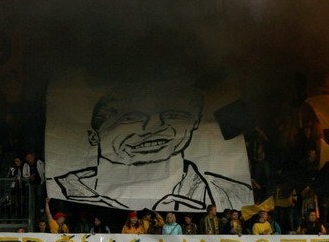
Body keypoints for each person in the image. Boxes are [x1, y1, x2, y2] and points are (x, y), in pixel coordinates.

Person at [52, 84, 252, 213]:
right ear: (94, 136)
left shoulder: (234, 195)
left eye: (174, 115)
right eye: (131, 118)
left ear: (195, 124)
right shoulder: (59, 193)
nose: (155, 129)